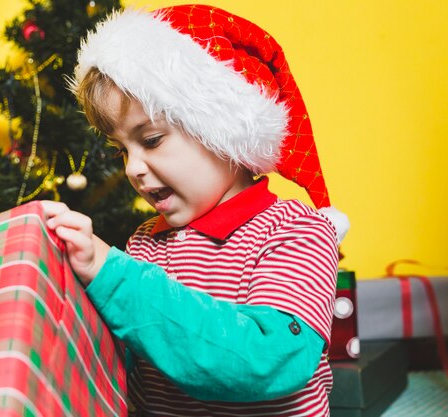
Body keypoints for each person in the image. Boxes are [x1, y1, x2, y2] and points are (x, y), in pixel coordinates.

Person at [42, 4, 350, 416]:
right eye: (121, 150)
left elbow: (268, 360)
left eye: (150, 140)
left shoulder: (297, 232)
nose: (132, 168)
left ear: (222, 133)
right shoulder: (146, 244)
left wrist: (113, 277)